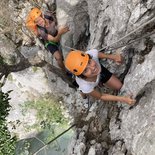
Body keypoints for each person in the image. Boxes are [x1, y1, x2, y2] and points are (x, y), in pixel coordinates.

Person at [64, 49, 136, 105]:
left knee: (119, 86)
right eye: (86, 70)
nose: (92, 67)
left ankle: (100, 82)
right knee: (82, 90)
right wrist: (123, 99)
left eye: (89, 62)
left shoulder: (91, 54)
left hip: (101, 73)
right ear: (82, 76)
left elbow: (101, 55)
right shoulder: (85, 86)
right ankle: (83, 95)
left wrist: (114, 57)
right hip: (89, 82)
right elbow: (101, 96)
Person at [26, 8, 69, 72]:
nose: (39, 23)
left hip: (55, 33)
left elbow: (56, 18)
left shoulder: (49, 16)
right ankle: (64, 71)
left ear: (42, 16)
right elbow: (55, 40)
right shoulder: (41, 31)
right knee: (59, 58)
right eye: (36, 22)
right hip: (50, 42)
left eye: (39, 20)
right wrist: (60, 33)